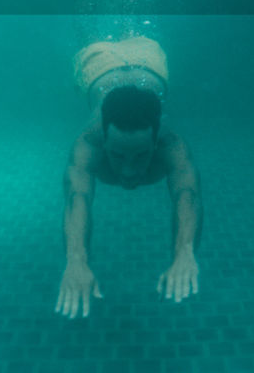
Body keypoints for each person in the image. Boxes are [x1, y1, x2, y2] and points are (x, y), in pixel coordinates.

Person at [56, 36, 203, 320]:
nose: (128, 171)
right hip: (97, 64)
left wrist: (185, 252)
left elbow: (189, 194)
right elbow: (77, 199)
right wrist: (76, 261)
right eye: (118, 156)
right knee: (91, 34)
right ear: (104, 142)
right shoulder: (88, 144)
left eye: (141, 156)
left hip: (150, 60)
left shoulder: (171, 146)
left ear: (156, 143)